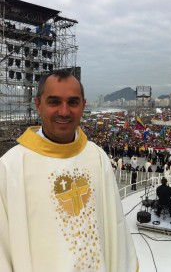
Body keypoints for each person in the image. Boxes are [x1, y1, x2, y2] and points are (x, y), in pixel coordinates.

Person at [0, 71, 138, 272]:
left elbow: (114, 228)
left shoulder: (98, 158)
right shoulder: (9, 167)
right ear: (38, 105)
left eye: (72, 102)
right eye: (54, 102)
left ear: (83, 105)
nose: (64, 112)